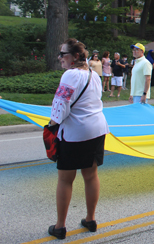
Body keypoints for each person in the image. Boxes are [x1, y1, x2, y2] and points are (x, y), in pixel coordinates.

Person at [47, 39, 109, 240]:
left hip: (75, 133)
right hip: (97, 129)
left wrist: (51, 124)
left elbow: (60, 106)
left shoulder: (70, 75)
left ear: (74, 57)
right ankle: (90, 219)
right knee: (91, 175)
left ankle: (60, 226)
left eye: (62, 54)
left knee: (65, 179)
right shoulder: (94, 74)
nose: (60, 58)